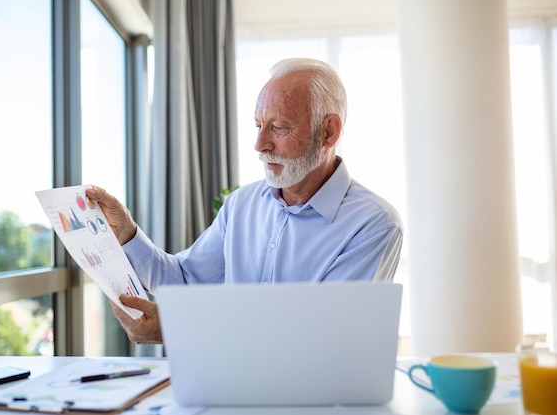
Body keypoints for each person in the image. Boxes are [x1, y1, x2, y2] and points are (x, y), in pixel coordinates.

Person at [86, 57, 403, 344]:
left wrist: (180, 327)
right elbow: (183, 281)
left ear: (329, 132)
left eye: (278, 127)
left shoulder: (373, 225)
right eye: (258, 126)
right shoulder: (241, 205)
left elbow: (323, 337)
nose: (260, 144)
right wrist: (126, 233)